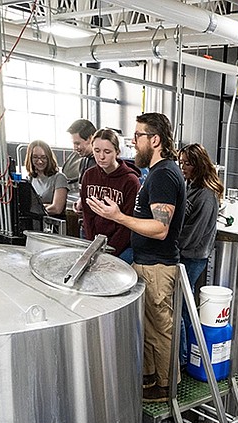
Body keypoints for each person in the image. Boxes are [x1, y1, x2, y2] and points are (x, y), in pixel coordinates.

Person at [89, 113, 185, 402]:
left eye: (139, 136)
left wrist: (119, 217)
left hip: (157, 265)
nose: (134, 141)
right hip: (146, 263)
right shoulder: (156, 173)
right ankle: (151, 379)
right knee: (150, 329)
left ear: (154, 140)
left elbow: (159, 228)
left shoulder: (165, 175)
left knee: (161, 328)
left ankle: (167, 387)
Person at [78, 128, 140, 261]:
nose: (101, 157)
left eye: (107, 152)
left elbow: (128, 223)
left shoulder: (130, 181)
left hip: (121, 245)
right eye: (97, 151)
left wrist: (109, 253)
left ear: (117, 152)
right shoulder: (89, 175)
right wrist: (92, 247)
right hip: (91, 239)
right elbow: (87, 214)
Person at [177, 143, 223, 304]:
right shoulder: (189, 185)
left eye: (187, 164)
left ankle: (189, 330)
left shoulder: (206, 194)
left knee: (183, 302)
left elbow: (195, 231)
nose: (182, 167)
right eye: (181, 162)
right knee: (183, 299)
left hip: (192, 256)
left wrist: (174, 246)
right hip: (185, 253)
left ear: (199, 164)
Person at [24, 141, 68, 216]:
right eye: (35, 157)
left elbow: (57, 208)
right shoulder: (30, 179)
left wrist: (38, 209)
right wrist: (46, 206)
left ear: (49, 158)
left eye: (43, 157)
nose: (40, 161)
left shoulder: (59, 178)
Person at [64, 118, 96, 188]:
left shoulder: (102, 162)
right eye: (73, 143)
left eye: (77, 143)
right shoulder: (84, 160)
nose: (75, 148)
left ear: (91, 138)